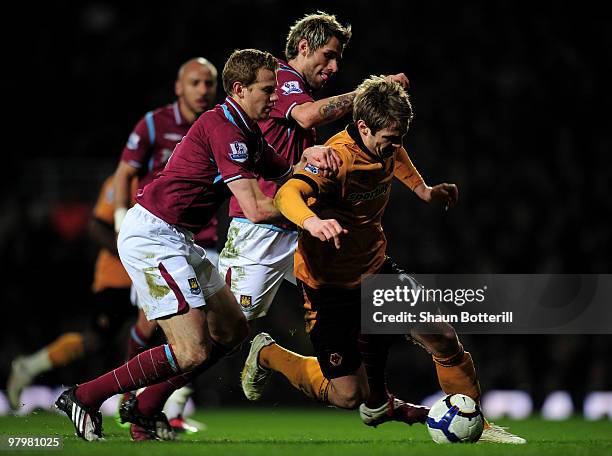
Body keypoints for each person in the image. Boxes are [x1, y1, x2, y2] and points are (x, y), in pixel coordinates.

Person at [54, 48, 340, 442]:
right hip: (153, 235)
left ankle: (145, 410)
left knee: (232, 329)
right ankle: (84, 397)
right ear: (239, 89)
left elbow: (286, 171)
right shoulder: (224, 128)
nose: (276, 99)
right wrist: (311, 216)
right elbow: (256, 209)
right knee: (192, 351)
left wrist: (308, 158)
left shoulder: (249, 130)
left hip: (178, 238)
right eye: (267, 90)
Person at [242, 76, 526, 444]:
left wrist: (422, 190)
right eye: (390, 138)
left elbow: (398, 154)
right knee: (349, 395)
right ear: (363, 127)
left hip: (376, 270)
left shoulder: (387, 145)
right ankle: (268, 354)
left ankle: (478, 426)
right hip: (328, 287)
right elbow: (287, 194)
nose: (397, 145)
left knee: (441, 336)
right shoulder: (336, 158)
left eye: (401, 136)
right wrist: (312, 221)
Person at [215, 11, 418, 426]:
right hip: (260, 228)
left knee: (362, 298)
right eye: (329, 56)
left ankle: (374, 394)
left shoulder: (298, 89)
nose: (334, 66)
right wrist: (369, 92)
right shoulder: (284, 79)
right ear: (304, 48)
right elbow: (308, 117)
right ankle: (151, 397)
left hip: (297, 223)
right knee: (220, 335)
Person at [112, 56, 221, 434]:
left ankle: (170, 406)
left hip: (204, 242)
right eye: (195, 83)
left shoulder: (220, 125)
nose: (203, 90)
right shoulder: (155, 123)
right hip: (157, 238)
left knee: (204, 331)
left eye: (209, 83)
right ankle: (128, 397)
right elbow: (125, 173)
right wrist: (120, 222)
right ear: (179, 87)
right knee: (151, 320)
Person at [6, 175, 135, 410]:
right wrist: (129, 254)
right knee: (96, 340)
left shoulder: (163, 174)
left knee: (158, 335)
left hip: (148, 276)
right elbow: (96, 227)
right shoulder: (122, 180)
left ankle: (147, 401)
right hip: (119, 279)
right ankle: (30, 367)